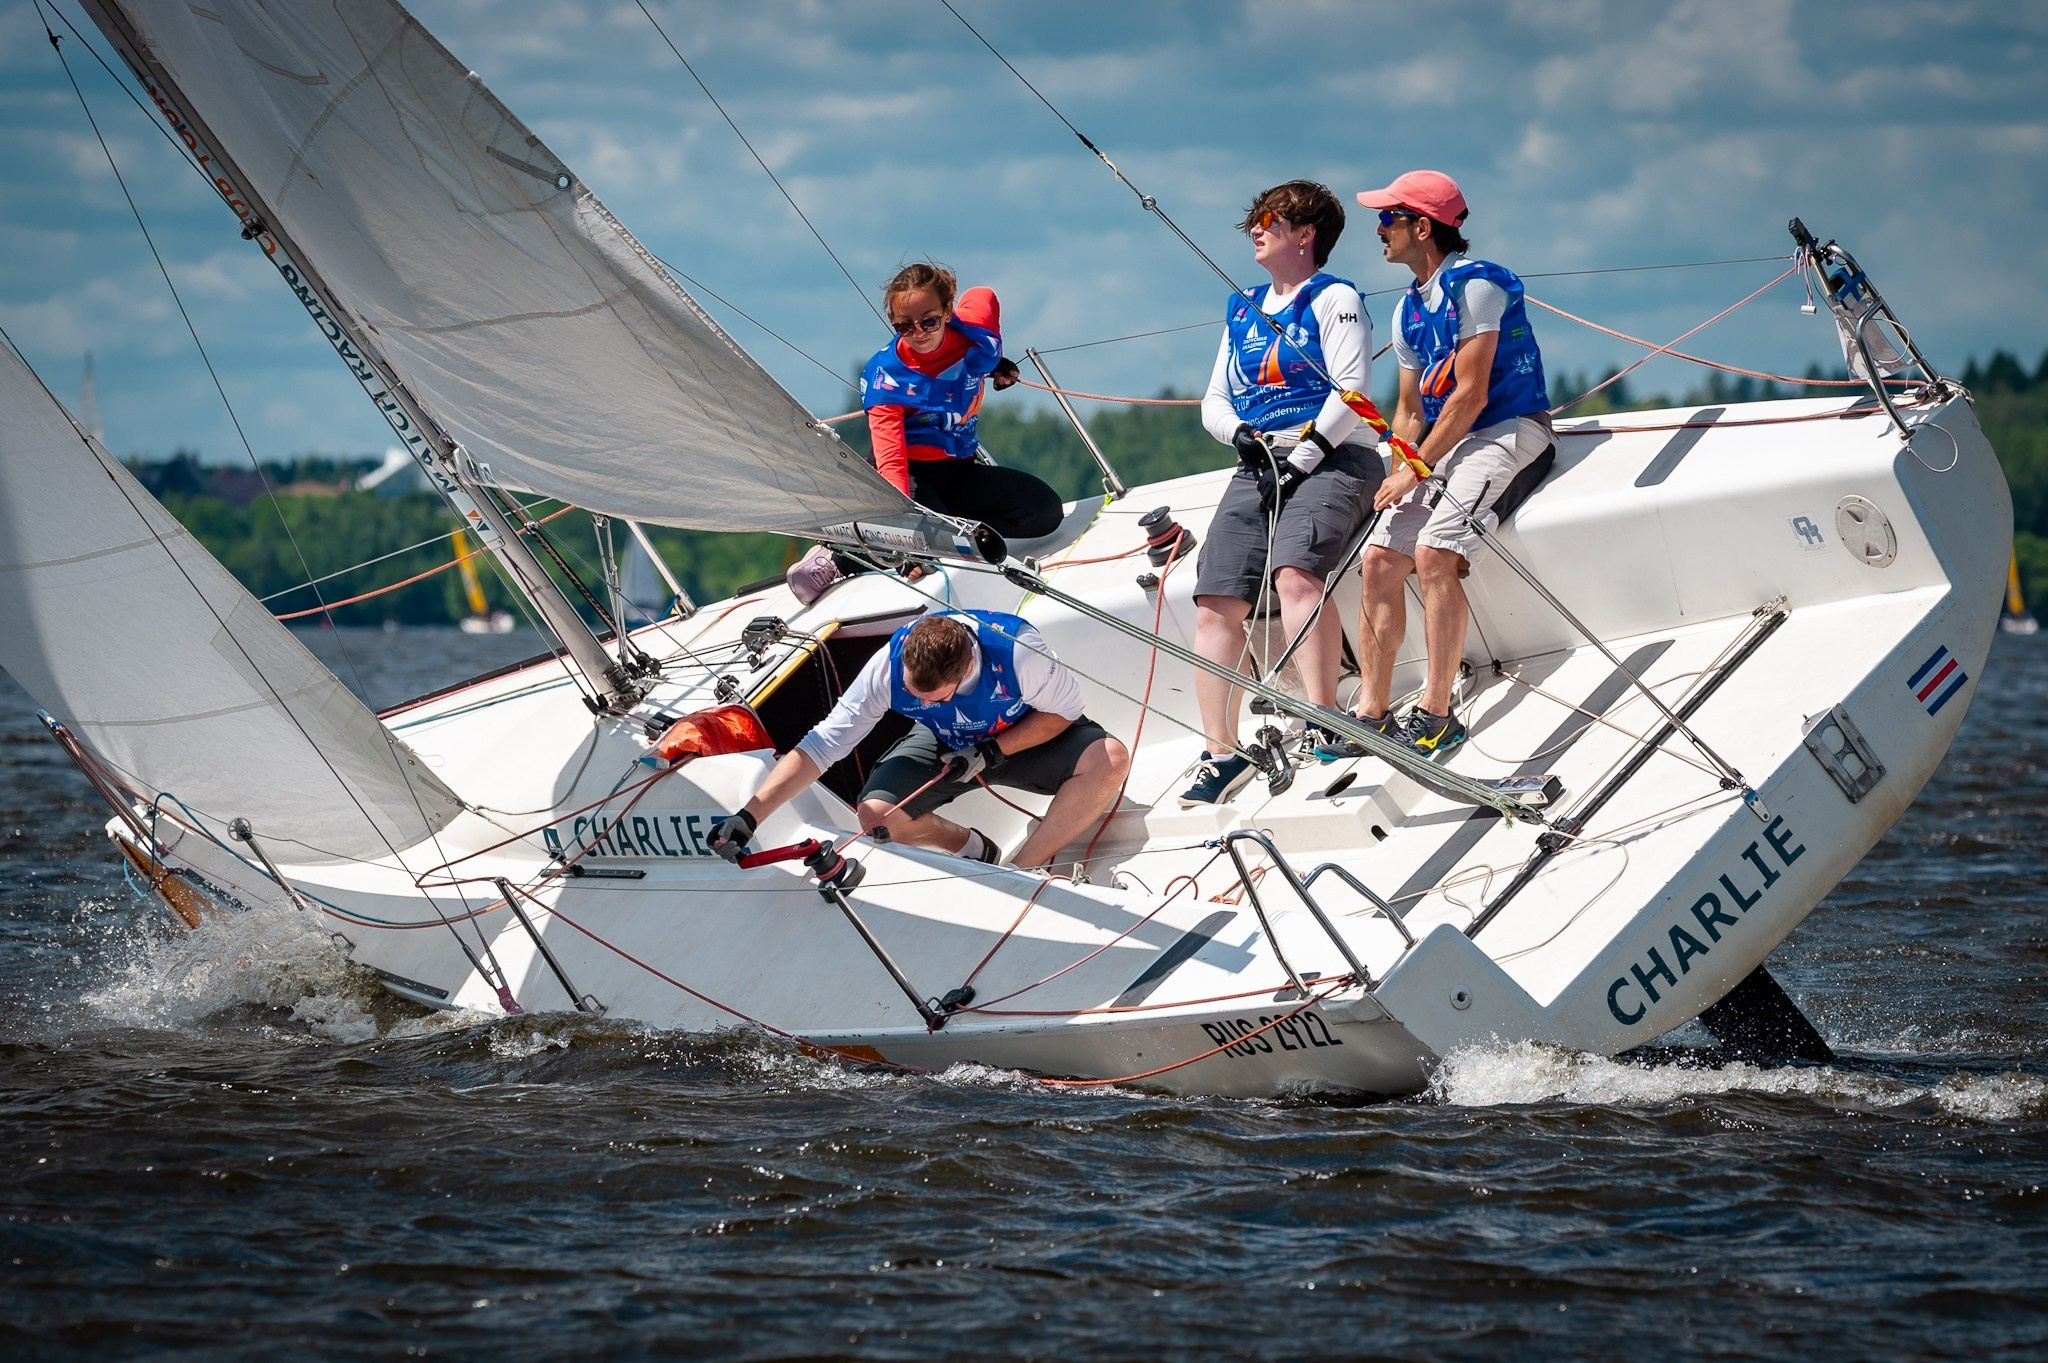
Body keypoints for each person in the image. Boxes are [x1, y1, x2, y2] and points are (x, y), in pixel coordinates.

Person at [1335, 170, 1553, 761]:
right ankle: (1372, 715)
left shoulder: (1477, 286)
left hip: (1507, 431)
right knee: (1379, 560)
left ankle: (1437, 713)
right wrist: (1398, 468)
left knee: (1434, 554)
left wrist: (1417, 467)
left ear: (1422, 226)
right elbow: (1409, 409)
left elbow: (1471, 395)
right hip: (1443, 447)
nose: (1379, 229)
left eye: (1388, 219)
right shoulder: (1408, 309)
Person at [1180, 180, 1381, 806]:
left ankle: (1325, 721)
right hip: (1260, 457)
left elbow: (1350, 388)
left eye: (1267, 219)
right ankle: (1220, 751)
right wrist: (1238, 434)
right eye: (1252, 220)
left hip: (1334, 453)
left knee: (1295, 574)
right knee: (1214, 596)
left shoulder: (1336, 297)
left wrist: (1304, 458)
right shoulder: (1243, 307)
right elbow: (1214, 397)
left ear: (1305, 233)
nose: (1254, 230)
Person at [707, 611, 1129, 872]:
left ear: (966, 670)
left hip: (1024, 733)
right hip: (946, 740)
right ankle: (976, 850)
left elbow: (1064, 713)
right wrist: (749, 816)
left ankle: (1022, 871)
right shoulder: (888, 667)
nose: (918, 699)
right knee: (876, 815)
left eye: (932, 696)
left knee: (1109, 759)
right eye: (913, 693)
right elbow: (822, 746)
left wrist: (991, 752)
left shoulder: (1019, 652)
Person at [785, 264, 1065, 603]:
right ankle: (843, 553)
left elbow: (984, 296)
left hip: (959, 469)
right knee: (937, 551)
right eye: (904, 326)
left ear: (948, 310)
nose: (918, 332)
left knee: (1045, 512)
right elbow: (891, 463)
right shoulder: (885, 378)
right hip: (910, 476)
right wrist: (902, 533)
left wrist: (992, 364)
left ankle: (938, 527)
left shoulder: (975, 334)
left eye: (929, 320)